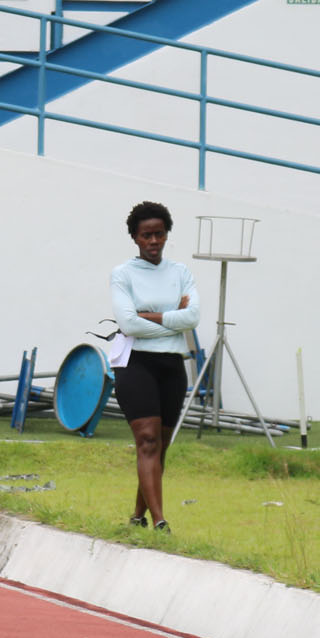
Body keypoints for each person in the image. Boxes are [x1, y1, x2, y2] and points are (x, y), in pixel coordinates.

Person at [108, 201, 199, 534]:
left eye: (159, 234)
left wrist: (150, 316)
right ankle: (160, 521)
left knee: (160, 446)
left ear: (166, 235)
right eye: (146, 235)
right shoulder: (123, 275)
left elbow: (193, 317)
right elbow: (129, 325)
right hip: (136, 364)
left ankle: (137, 515)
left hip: (172, 365)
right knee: (147, 440)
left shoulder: (180, 273)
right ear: (135, 237)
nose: (153, 241)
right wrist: (172, 320)